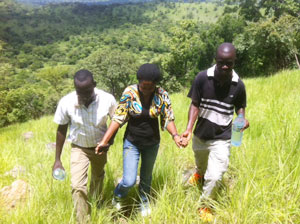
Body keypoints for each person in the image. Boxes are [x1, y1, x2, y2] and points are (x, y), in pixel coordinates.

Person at [96, 63, 181, 217]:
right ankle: (118, 195)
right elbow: (118, 117)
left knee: (146, 178)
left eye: (151, 86)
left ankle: (144, 202)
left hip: (152, 143)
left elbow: (168, 118)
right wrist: (105, 141)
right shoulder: (130, 92)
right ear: (139, 82)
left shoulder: (162, 94)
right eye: (143, 86)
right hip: (132, 142)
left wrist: (175, 136)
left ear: (156, 84)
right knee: (128, 180)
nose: (147, 90)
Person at [181, 43, 249, 214]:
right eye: (221, 62)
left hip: (223, 137)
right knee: (201, 164)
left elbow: (240, 107)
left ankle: (204, 207)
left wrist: (242, 119)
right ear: (216, 61)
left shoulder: (238, 85)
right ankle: (199, 174)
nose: (225, 67)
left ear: (234, 61)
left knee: (215, 176)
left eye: (229, 63)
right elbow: (195, 104)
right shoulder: (202, 78)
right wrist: (189, 129)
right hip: (200, 134)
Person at [52, 69, 117, 223]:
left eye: (87, 91)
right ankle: (83, 219)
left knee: (97, 177)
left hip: (100, 147)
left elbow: (116, 122)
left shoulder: (108, 99)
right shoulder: (66, 102)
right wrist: (57, 159)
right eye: (80, 92)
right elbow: (61, 129)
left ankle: (97, 204)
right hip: (78, 147)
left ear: (94, 85)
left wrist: (109, 142)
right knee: (77, 185)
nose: (84, 95)